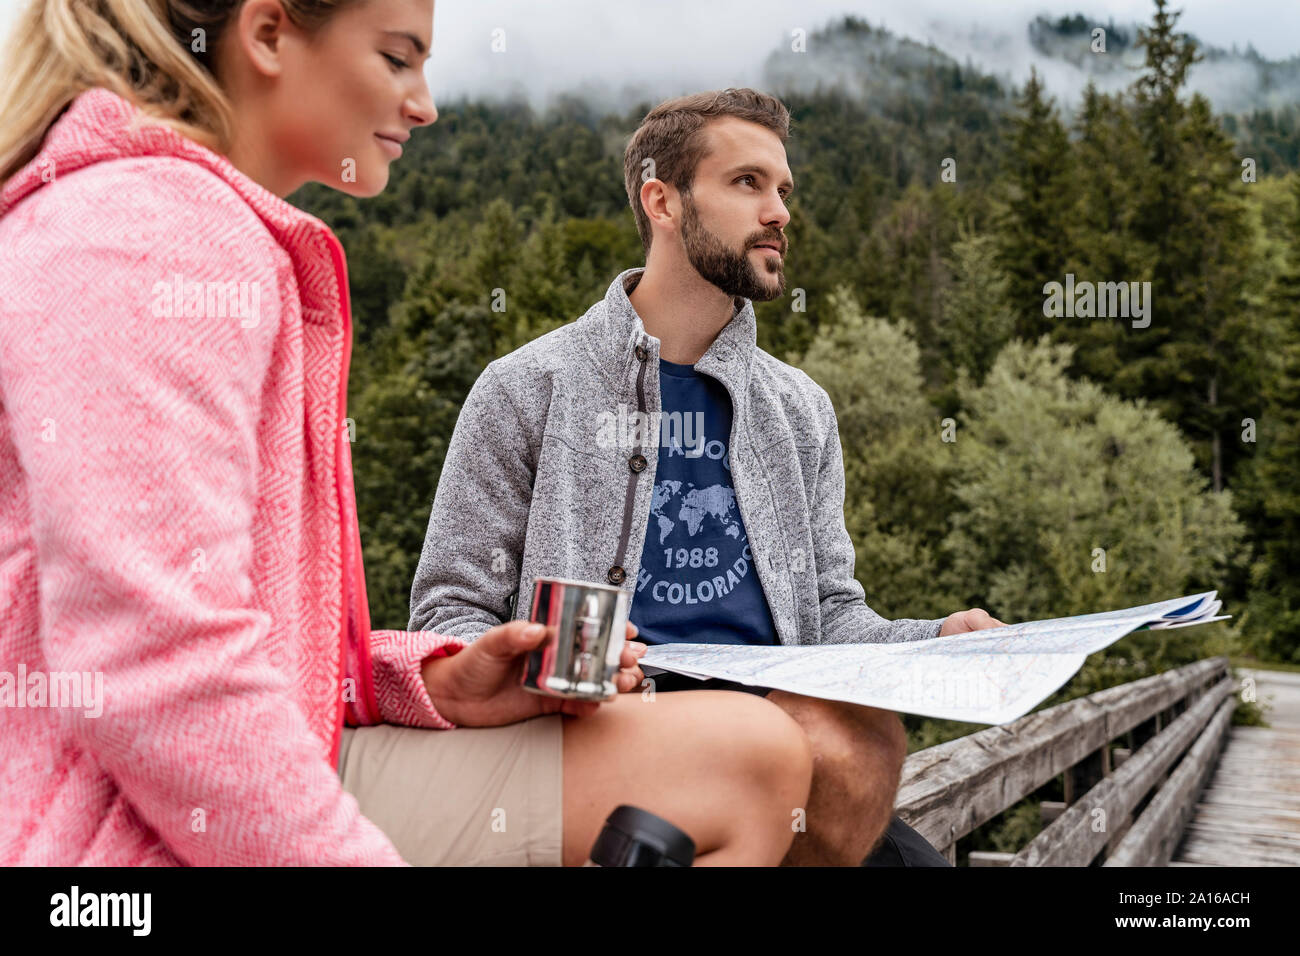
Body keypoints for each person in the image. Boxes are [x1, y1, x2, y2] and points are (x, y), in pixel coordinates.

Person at [0, 0, 814, 866]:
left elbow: (255, 641)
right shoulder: (152, 237)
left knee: (754, 756)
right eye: (397, 58)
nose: (425, 103)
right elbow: (159, 675)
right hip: (104, 831)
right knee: (753, 763)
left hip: (222, 763)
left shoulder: (166, 222)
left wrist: (429, 680)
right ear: (269, 34)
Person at [408, 88, 1007, 866]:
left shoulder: (800, 410)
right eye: (747, 183)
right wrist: (542, 667)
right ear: (662, 199)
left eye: (784, 190)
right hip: (600, 736)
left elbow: (829, 616)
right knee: (839, 742)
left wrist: (934, 642)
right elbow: (446, 615)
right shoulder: (527, 388)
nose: (780, 212)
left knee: (860, 737)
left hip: (790, 748)